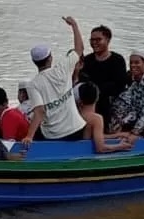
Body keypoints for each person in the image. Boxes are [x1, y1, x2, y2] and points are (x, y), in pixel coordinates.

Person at [22, 16, 88, 149]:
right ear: (50, 58)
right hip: (77, 130)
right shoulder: (63, 68)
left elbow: (39, 112)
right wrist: (74, 25)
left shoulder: (33, 84)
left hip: (53, 136)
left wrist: (29, 136)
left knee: (36, 130)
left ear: (34, 62)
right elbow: (79, 49)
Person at [79, 24, 129, 125]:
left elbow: (120, 85)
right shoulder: (87, 60)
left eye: (98, 40)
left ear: (108, 40)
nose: (94, 43)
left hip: (110, 105)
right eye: (92, 40)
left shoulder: (117, 60)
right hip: (89, 105)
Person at [75, 83, 133, 154]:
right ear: (97, 98)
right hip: (85, 153)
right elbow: (100, 148)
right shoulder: (96, 119)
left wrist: (118, 135)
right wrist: (121, 146)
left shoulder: (76, 115)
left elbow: (97, 136)